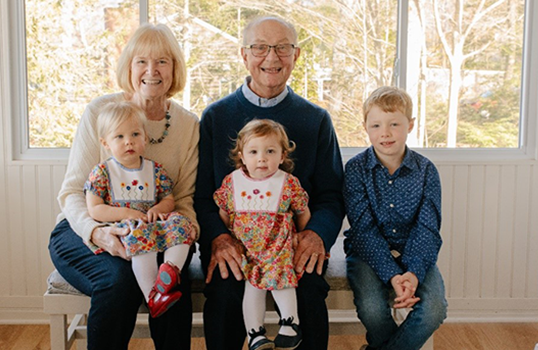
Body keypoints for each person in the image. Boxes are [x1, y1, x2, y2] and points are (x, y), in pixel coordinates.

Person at [195, 16, 345, 350]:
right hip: (234, 242)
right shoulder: (215, 117)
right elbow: (202, 196)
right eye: (260, 47)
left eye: (282, 48)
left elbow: (331, 195)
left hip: (289, 244)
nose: (271, 57)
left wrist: (315, 235)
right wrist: (218, 238)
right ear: (244, 55)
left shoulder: (316, 119)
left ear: (297, 55)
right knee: (225, 289)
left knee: (307, 287)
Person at [48, 23, 199, 350]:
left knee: (172, 285)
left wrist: (177, 232)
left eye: (162, 61)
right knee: (119, 281)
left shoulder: (188, 126)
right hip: (84, 231)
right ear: (128, 66)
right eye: (141, 61)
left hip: (155, 233)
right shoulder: (100, 113)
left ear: (174, 69)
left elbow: (184, 199)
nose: (151, 70)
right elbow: (72, 192)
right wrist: (96, 232)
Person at [343, 86, 447, 350]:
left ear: (410, 125)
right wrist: (392, 275)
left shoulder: (426, 171)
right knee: (372, 309)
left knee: (434, 310)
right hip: (367, 252)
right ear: (365, 127)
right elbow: (363, 229)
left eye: (394, 124)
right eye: (376, 125)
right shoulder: (356, 169)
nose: (385, 133)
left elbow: (428, 228)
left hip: (415, 252)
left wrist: (412, 273)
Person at [84, 101, 195, 318]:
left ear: (145, 138)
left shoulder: (154, 170)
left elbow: (169, 198)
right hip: (127, 228)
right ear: (105, 142)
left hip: (152, 222)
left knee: (180, 222)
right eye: (119, 137)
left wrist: (159, 209)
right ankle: (152, 296)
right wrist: (127, 214)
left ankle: (170, 271)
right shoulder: (103, 172)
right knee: (140, 235)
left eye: (135, 134)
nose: (129, 142)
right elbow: (95, 209)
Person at [214, 119, 311, 350]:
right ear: (242, 155)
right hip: (247, 250)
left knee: (281, 279)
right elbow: (224, 214)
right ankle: (255, 334)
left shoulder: (288, 183)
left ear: (282, 155)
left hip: (277, 247)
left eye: (270, 151)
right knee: (253, 288)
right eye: (254, 151)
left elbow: (302, 212)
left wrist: (304, 234)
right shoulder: (232, 182)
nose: (262, 158)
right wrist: (228, 237)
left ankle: (290, 323)